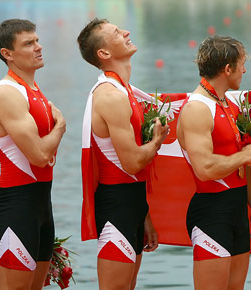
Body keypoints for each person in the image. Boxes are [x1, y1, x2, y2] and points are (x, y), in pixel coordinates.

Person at [77, 18, 169, 290]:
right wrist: (157, 140)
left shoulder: (125, 91)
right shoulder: (110, 95)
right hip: (116, 205)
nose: (127, 31)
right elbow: (131, 162)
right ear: (103, 53)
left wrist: (145, 215)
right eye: (117, 33)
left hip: (133, 204)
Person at [176, 35, 251, 290]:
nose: (245, 70)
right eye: (242, 64)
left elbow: (238, 168)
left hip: (237, 209)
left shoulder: (227, 104)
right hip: (211, 212)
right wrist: (246, 156)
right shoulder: (197, 109)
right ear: (228, 69)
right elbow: (204, 169)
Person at [0, 19, 66, 289]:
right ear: (7, 54)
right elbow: (39, 156)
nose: (38, 47)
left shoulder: (33, 91)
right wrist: (61, 128)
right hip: (17, 204)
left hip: (43, 204)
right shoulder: (6, 94)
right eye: (28, 43)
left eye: (37, 40)